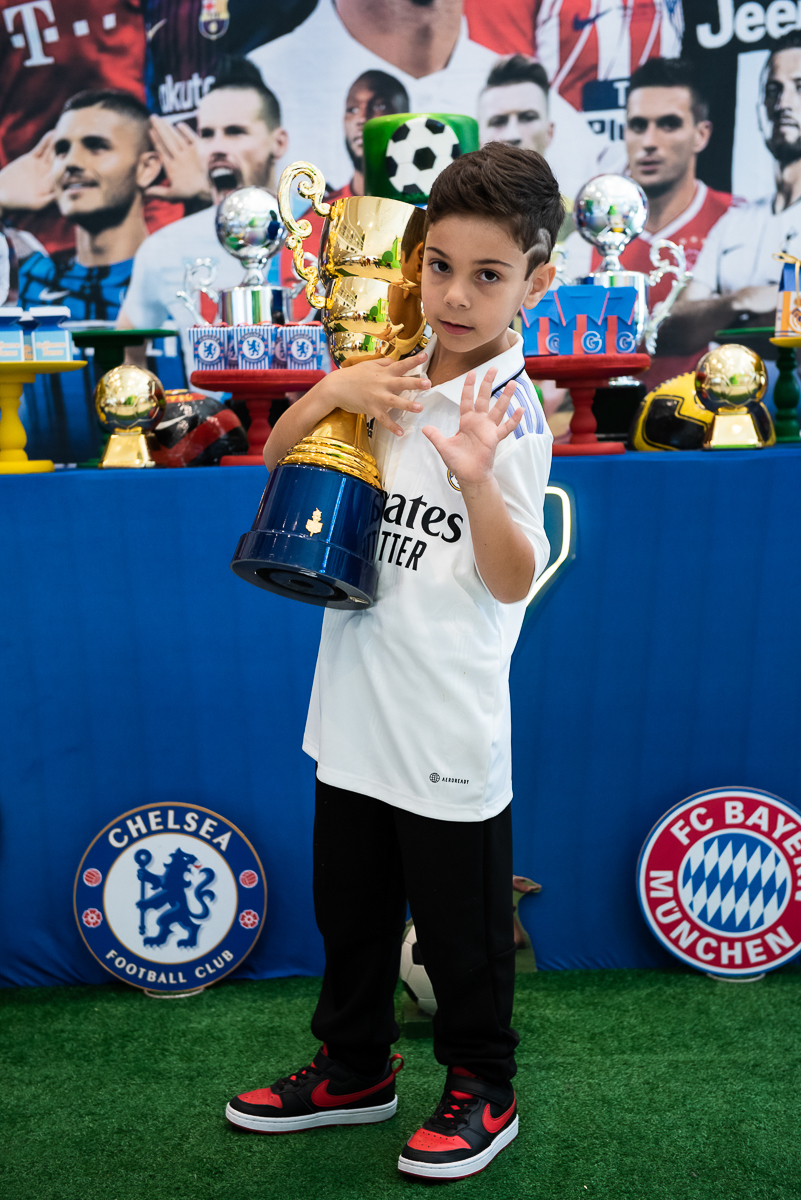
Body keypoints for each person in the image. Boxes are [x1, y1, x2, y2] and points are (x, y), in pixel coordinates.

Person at [224, 142, 560, 1181]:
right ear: (415, 258)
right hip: (354, 708)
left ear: (535, 283)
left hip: (447, 728)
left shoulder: (510, 413)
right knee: (352, 912)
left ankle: (481, 1087)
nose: (457, 295)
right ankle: (355, 1068)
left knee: (462, 935)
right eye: (441, 266)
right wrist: (336, 387)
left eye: (489, 276)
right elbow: (281, 454)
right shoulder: (391, 362)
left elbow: (512, 580)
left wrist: (473, 479)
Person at [0, 88, 177, 464]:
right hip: (43, 495)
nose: (70, 163)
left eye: (96, 146)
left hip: (162, 486)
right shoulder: (28, 273)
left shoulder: (179, 274)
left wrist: (205, 201)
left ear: (146, 167)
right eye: (62, 150)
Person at [560, 57, 732, 389]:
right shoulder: (587, 235)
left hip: (712, 424)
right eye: (638, 125)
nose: (649, 142)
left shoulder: (735, 221)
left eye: (669, 124)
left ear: (701, 134)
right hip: (605, 425)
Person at [118, 57, 288, 382]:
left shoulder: (322, 231)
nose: (217, 147)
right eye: (207, 134)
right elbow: (128, 350)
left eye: (235, 132)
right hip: (216, 431)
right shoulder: (164, 247)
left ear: (278, 143)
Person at [661, 32, 801, 360]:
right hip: (730, 403)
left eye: (800, 87)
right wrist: (743, 300)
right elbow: (670, 330)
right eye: (773, 90)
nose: (784, 103)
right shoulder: (735, 223)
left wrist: (715, 314)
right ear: (760, 106)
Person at [280, 69, 410, 320]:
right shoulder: (313, 223)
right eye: (352, 109)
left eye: (379, 106)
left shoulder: (433, 215)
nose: (362, 118)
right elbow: (302, 328)